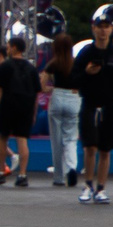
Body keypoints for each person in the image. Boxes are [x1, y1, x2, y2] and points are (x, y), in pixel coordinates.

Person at [71, 9, 113, 204]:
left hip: (111, 105)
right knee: (90, 146)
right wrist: (87, 73)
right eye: (100, 27)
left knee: (106, 148)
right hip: (90, 103)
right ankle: (88, 184)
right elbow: (73, 79)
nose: (103, 31)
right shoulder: (86, 52)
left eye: (107, 27)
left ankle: (101, 188)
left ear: (111, 30)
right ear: (93, 29)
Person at [0, 35, 42, 187]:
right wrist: (34, 112)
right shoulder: (31, 68)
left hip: (7, 105)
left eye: (9, 46)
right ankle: (22, 174)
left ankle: (0, 171)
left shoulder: (4, 66)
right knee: (22, 139)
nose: (7, 49)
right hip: (26, 107)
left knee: (3, 138)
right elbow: (37, 92)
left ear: (15, 48)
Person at [45, 37, 82, 187]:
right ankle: (72, 167)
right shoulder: (76, 63)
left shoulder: (53, 63)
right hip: (74, 97)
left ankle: (58, 177)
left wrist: (50, 89)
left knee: (56, 139)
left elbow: (42, 84)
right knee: (71, 138)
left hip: (57, 96)